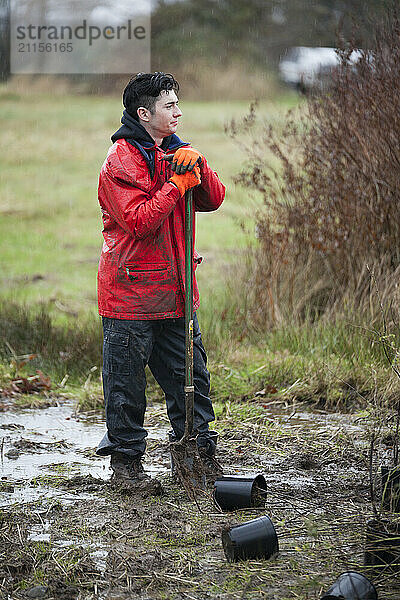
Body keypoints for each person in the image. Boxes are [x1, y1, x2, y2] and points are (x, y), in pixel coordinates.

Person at [95, 72, 225, 484]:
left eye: (177, 104)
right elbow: (138, 221)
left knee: (192, 379)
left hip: (177, 293)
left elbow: (214, 199)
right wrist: (175, 184)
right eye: (170, 106)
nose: (178, 112)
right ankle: (127, 467)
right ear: (143, 113)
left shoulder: (178, 152)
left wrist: (198, 166)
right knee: (126, 389)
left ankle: (197, 458)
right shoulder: (120, 162)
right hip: (129, 294)